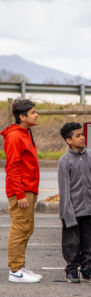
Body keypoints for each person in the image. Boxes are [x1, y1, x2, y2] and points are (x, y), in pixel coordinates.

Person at [58, 122, 91, 283]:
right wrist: (68, 214)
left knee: (90, 240)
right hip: (72, 211)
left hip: (89, 209)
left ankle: (87, 270)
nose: (82, 138)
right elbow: (64, 190)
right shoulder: (65, 161)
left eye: (82, 134)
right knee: (71, 242)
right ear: (68, 140)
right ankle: (71, 270)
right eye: (77, 136)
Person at [1, 98, 42, 283]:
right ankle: (15, 271)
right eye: (33, 112)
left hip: (28, 188)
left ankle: (20, 266)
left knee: (26, 228)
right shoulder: (15, 136)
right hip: (22, 190)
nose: (36, 115)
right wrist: (19, 194)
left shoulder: (25, 132)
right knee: (19, 229)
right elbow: (12, 167)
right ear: (23, 116)